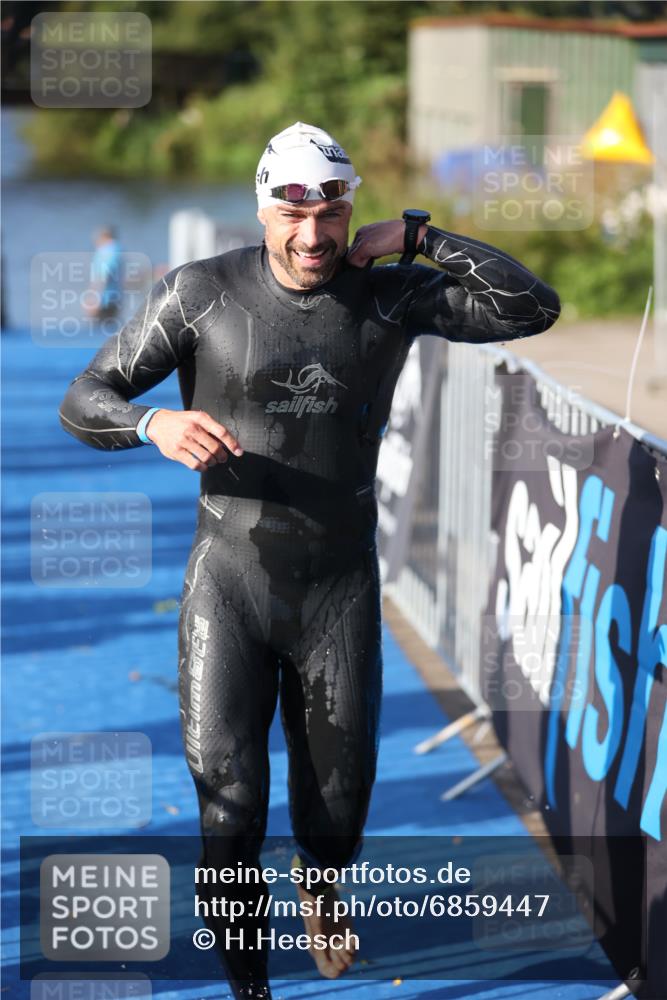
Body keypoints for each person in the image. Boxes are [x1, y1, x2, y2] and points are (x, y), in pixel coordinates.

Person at [59, 121, 560, 999]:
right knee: (230, 808)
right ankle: (250, 988)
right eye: (292, 217)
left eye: (330, 216)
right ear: (262, 210)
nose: (312, 239)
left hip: (338, 590)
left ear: (348, 210)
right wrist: (154, 423)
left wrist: (420, 236)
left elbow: (532, 308)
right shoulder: (199, 295)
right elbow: (84, 397)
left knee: (334, 818)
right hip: (229, 585)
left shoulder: (388, 294)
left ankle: (320, 879)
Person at [86, 225, 123, 322]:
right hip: (115, 298)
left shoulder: (108, 251)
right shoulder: (117, 249)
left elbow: (104, 276)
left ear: (104, 237)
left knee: (100, 331)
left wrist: (94, 299)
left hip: (105, 300)